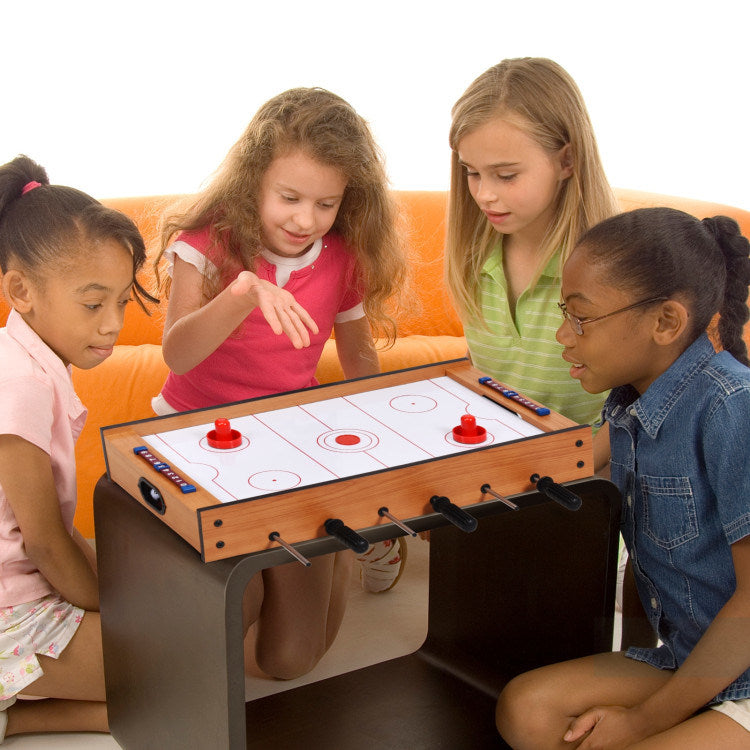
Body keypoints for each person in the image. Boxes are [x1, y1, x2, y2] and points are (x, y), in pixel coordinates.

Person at [151, 87, 408, 679]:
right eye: (289, 198)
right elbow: (178, 355)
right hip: (197, 445)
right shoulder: (207, 245)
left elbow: (359, 361)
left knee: (289, 661)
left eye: (326, 204)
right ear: (253, 181)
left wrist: (369, 465)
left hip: (287, 450)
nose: (305, 220)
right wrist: (242, 292)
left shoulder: (342, 254)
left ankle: (348, 552)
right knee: (229, 617)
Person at [496, 207, 750, 748]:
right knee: (528, 710)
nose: (563, 335)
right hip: (691, 659)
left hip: (745, 671)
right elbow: (645, 553)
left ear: (665, 322)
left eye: (582, 318)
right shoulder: (628, 405)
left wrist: (644, 720)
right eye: (564, 311)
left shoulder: (734, 409)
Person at [0, 155, 157, 740]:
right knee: (171, 664)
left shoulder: (28, 365)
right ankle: (20, 718)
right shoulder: (19, 386)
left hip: (22, 585)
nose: (113, 323)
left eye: (122, 300)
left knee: (169, 643)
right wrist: (104, 610)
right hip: (9, 613)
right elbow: (42, 539)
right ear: (21, 291)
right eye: (94, 304)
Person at [446, 57, 619, 470]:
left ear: (567, 161)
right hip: (502, 477)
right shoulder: (474, 260)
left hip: (584, 484)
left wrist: (565, 476)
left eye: (505, 175)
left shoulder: (615, 267)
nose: (484, 194)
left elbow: (640, 402)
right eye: (472, 173)